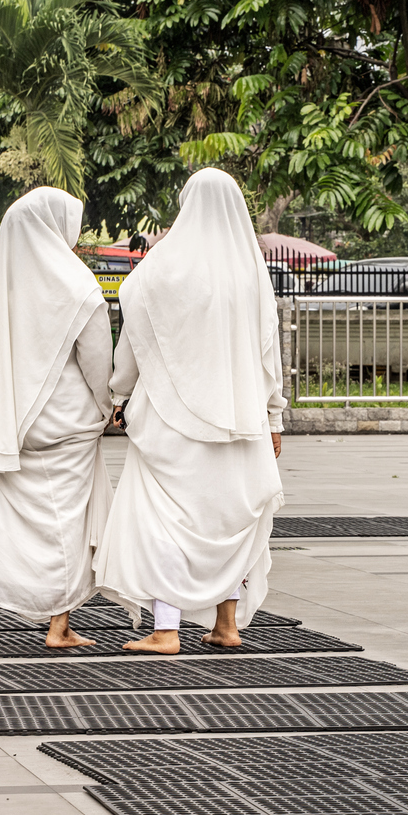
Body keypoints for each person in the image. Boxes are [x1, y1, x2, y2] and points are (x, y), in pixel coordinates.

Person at [98, 167, 286, 654]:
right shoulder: (250, 276)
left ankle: (166, 629)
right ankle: (227, 624)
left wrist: (120, 395)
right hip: (240, 421)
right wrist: (273, 417)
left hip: (169, 419)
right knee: (223, 520)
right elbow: (270, 357)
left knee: (165, 519)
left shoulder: (157, 271)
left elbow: (132, 343)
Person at [0, 185, 116, 649]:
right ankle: (58, 626)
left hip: (11, 423)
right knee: (64, 521)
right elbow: (96, 363)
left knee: (1, 521)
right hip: (67, 424)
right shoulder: (78, 285)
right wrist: (105, 409)